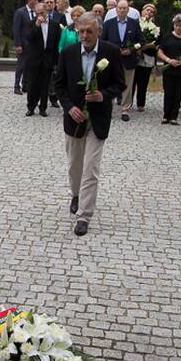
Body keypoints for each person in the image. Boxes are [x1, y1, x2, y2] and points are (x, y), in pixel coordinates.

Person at [53, 12, 124, 237]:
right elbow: (59, 85)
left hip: (98, 119)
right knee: (75, 165)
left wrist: (103, 95)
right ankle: (76, 194)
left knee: (91, 168)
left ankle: (84, 215)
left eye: (89, 31)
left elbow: (120, 83)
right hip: (74, 119)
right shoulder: (68, 53)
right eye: (81, 31)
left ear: (98, 31)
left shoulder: (111, 52)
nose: (84, 35)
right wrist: (69, 107)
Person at [102, 0, 144, 122]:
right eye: (120, 8)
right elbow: (103, 41)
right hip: (112, 59)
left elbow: (141, 41)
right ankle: (107, 107)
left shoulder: (134, 23)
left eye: (124, 8)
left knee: (127, 84)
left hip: (129, 59)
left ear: (128, 10)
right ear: (116, 10)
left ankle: (125, 109)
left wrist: (131, 50)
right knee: (110, 83)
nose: (122, 10)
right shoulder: (108, 24)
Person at [23, 2, 62, 117]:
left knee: (45, 85)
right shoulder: (31, 23)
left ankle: (43, 108)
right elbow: (29, 38)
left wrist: (56, 62)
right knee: (32, 84)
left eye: (41, 13)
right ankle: (31, 107)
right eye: (37, 13)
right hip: (34, 59)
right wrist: (37, 25)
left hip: (47, 59)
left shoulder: (55, 25)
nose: (39, 15)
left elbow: (56, 44)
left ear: (46, 12)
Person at [134, 3, 160, 112]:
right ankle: (127, 102)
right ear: (142, 11)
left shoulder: (156, 27)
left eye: (151, 11)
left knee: (143, 82)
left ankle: (141, 104)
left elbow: (157, 42)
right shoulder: (135, 23)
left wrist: (147, 46)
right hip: (135, 55)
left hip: (148, 56)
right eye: (147, 10)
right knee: (132, 81)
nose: (148, 12)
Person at [11, 0, 38, 95]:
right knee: (20, 66)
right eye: (35, 0)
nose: (36, 2)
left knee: (29, 66)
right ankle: (16, 85)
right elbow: (16, 29)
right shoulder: (20, 12)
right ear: (29, 0)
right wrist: (18, 44)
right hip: (23, 44)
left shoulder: (36, 12)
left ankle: (25, 85)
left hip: (33, 45)